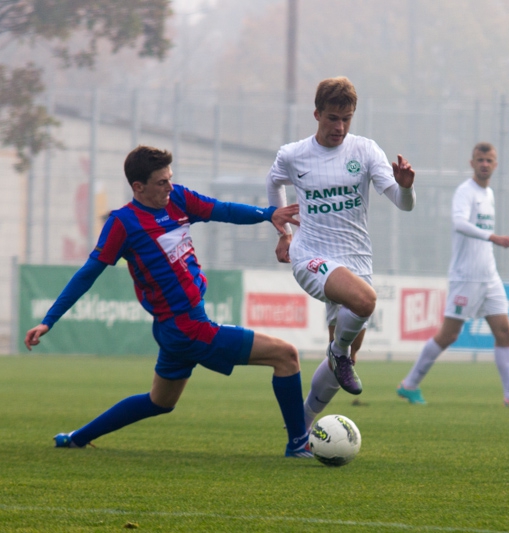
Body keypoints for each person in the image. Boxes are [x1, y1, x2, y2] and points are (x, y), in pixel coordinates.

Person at [25, 146, 313, 457]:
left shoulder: (178, 199)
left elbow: (222, 209)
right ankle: (298, 443)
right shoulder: (124, 223)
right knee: (286, 356)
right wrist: (48, 320)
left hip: (177, 329)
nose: (169, 187)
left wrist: (267, 214)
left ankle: (76, 438)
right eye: (161, 182)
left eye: (170, 179)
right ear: (138, 187)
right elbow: (87, 275)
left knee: (159, 402)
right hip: (187, 328)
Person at [266, 76, 416, 428]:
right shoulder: (293, 155)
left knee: (347, 359)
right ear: (317, 114)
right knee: (365, 303)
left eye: (347, 118)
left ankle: (300, 428)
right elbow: (273, 183)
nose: (340, 126)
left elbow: (402, 203)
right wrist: (284, 233)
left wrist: (407, 188)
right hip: (311, 256)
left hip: (356, 259)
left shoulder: (364, 150)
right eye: (333, 117)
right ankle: (338, 354)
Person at [397, 142, 509, 408]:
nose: (485, 164)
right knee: (449, 335)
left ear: (495, 165)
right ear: (472, 163)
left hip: (489, 276)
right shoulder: (466, 191)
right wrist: (492, 237)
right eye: (480, 160)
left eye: (489, 160)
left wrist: (491, 241)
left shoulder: (489, 194)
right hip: (466, 277)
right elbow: (459, 223)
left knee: (504, 332)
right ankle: (409, 384)